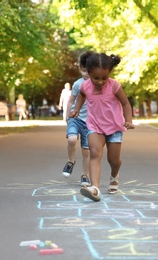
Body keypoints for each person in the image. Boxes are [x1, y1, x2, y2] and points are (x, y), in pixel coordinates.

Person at [70, 52, 135, 202]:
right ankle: (95, 188)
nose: (100, 82)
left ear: (109, 74)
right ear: (89, 73)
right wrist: (77, 109)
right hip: (95, 125)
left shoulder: (114, 86)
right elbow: (81, 95)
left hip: (114, 126)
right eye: (96, 78)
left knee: (114, 160)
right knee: (94, 153)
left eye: (104, 78)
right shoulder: (85, 86)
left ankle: (114, 175)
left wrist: (129, 120)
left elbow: (125, 103)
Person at [62, 51, 93, 186]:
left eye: (89, 71)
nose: (86, 74)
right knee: (72, 139)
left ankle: (85, 175)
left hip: (90, 122)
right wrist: (67, 115)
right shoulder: (77, 84)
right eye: (84, 71)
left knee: (86, 151)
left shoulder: (97, 84)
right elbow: (71, 100)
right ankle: (71, 161)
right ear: (80, 69)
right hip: (75, 117)